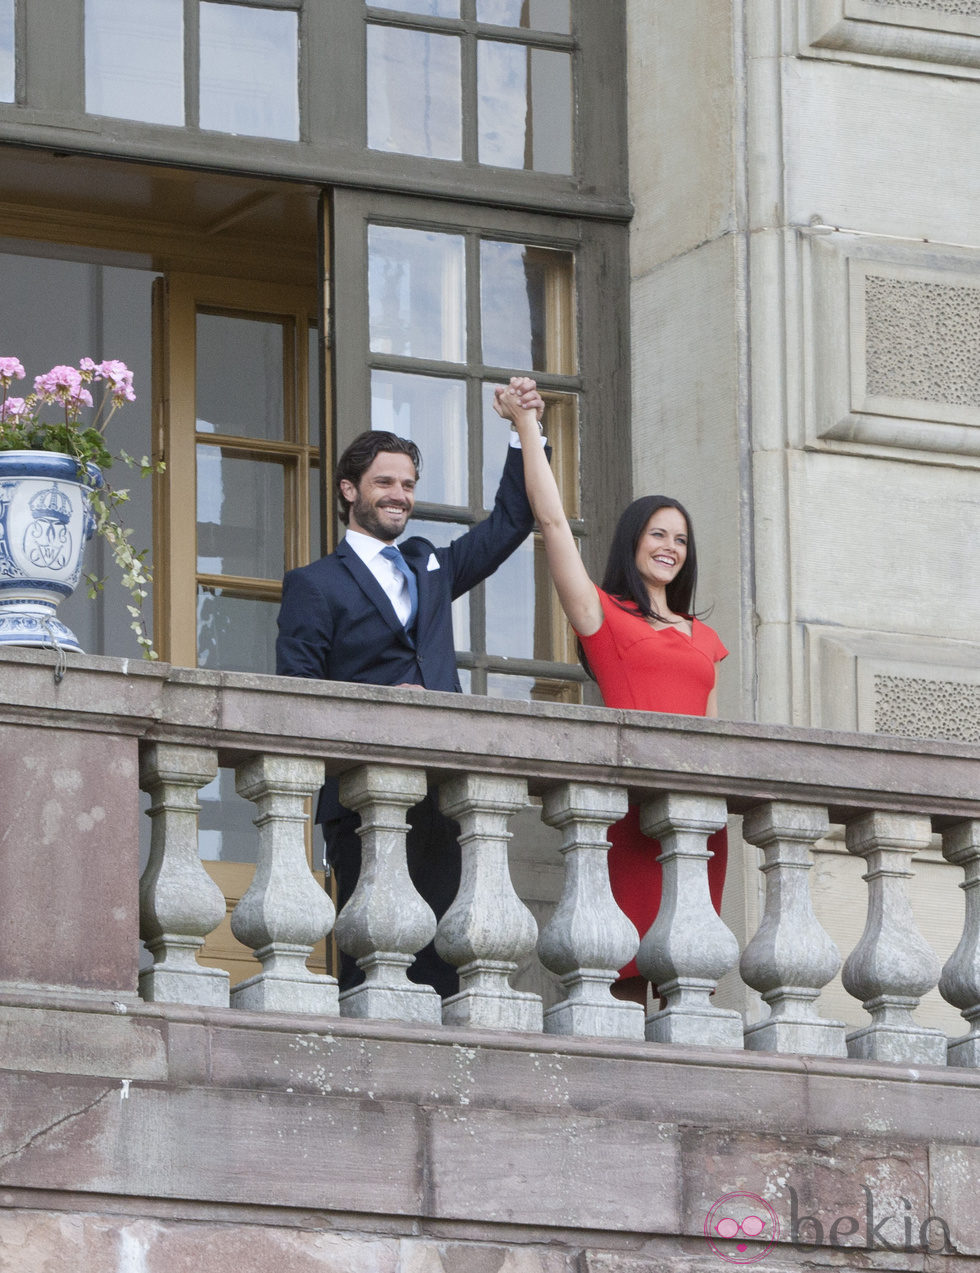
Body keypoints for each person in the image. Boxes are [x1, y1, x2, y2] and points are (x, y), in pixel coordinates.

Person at [276, 393, 547, 997]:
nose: (399, 494)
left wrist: (523, 431)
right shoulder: (314, 584)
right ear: (350, 490)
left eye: (408, 483)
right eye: (385, 482)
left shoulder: (431, 565)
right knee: (376, 958)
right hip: (362, 796)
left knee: (445, 962)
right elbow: (297, 696)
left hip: (443, 792)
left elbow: (511, 522)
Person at [493, 377, 727, 1007]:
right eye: (658, 534)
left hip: (697, 819)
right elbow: (551, 523)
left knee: (689, 981)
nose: (670, 547)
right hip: (629, 813)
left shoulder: (704, 636)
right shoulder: (605, 617)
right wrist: (526, 431)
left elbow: (714, 732)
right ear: (632, 542)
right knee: (619, 972)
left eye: (680, 539)